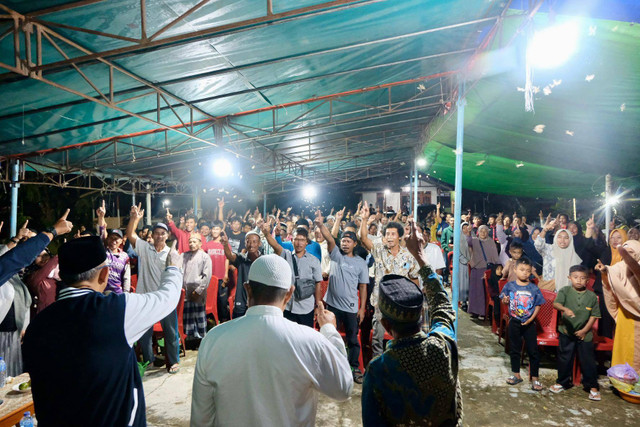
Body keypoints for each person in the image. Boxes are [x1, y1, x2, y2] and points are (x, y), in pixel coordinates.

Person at [23, 235, 182, 426]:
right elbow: (167, 298)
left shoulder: (37, 325)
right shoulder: (116, 310)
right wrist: (173, 267)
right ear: (104, 274)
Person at [190, 255, 353, 426]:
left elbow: (201, 418)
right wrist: (329, 330)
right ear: (289, 293)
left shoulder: (214, 339)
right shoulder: (309, 340)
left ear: (247, 289)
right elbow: (343, 388)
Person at [362, 220, 462, 426]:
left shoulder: (380, 369)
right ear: (419, 315)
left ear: (386, 324)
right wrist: (422, 257)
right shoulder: (442, 348)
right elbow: (443, 307)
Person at [125, 203, 181, 374]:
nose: (159, 236)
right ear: (152, 235)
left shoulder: (172, 254)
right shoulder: (145, 248)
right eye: (156, 233)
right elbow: (130, 234)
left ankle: (173, 361)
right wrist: (134, 219)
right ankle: (149, 360)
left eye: (162, 233)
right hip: (145, 297)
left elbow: (177, 278)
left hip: (165, 298)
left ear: (167, 235)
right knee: (145, 333)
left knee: (170, 332)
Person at [360, 204, 419, 360]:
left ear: (399, 236)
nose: (390, 237)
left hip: (402, 305)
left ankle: (401, 365)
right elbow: (363, 238)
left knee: (402, 339)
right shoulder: (379, 249)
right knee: (377, 339)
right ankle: (378, 365)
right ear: (383, 236)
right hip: (381, 303)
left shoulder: (408, 256)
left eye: (393, 234)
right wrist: (365, 219)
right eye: (387, 234)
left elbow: (414, 279)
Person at [318, 215, 369, 384]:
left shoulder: (361, 263)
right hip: (332, 305)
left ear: (355, 244)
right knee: (330, 336)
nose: (345, 243)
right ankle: (329, 368)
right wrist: (320, 224)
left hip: (351, 307)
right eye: (344, 240)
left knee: (353, 340)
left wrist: (361, 309)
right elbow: (330, 239)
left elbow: (363, 287)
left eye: (349, 241)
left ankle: (354, 367)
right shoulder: (336, 256)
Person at [550, 265, 601, 401]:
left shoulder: (591, 296)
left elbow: (594, 315)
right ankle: (562, 382)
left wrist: (584, 331)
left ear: (588, 281)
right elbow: (556, 304)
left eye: (583, 278)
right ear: (569, 278)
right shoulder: (565, 291)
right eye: (575, 277)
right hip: (566, 331)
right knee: (564, 358)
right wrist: (565, 309)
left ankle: (592, 386)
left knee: (588, 360)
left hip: (585, 334)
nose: (579, 280)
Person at [262, 222, 323, 328]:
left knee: (304, 338)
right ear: (291, 240)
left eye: (302, 240)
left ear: (307, 242)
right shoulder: (286, 255)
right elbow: (276, 246)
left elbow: (318, 283)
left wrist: (318, 305)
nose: (299, 243)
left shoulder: (314, 261)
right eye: (296, 239)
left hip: (306, 307)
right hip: (288, 306)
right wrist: (267, 234)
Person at [500, 257, 545, 391]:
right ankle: (516, 375)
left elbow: (538, 305)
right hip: (514, 321)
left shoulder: (534, 288)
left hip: (529, 324)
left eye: (528, 271)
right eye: (522, 270)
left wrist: (531, 319)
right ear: (515, 270)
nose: (525, 273)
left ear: (531, 272)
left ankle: (535, 378)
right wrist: (505, 300)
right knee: (515, 349)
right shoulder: (510, 286)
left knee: (533, 351)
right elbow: (503, 299)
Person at [597, 240, 640, 372]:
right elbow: (610, 272)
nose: (629, 256)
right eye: (626, 253)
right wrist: (605, 271)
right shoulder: (620, 267)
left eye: (632, 252)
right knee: (624, 346)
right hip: (626, 316)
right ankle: (622, 381)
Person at [535, 216, 582, 292]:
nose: (562, 240)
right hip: (548, 289)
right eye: (559, 237)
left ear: (570, 240)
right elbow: (538, 244)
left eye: (566, 238)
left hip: (566, 291)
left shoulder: (573, 256)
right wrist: (545, 230)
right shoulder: (549, 249)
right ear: (555, 238)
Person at [222, 230, 261, 318]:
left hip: (257, 301)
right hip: (241, 298)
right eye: (248, 241)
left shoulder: (263, 260)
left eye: (254, 242)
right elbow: (230, 256)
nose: (251, 244)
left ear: (259, 243)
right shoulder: (241, 258)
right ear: (245, 243)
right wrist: (225, 245)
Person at [182, 235, 212, 340]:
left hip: (198, 290)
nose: (192, 244)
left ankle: (202, 339)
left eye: (194, 242)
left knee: (199, 315)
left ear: (200, 243)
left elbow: (207, 276)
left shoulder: (205, 257)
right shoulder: (184, 256)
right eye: (190, 242)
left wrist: (198, 290)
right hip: (186, 291)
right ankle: (190, 338)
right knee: (188, 315)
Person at [467, 225, 501, 319]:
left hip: (486, 269)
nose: (483, 233)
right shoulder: (474, 240)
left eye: (485, 231)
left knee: (483, 291)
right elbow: (468, 241)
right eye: (481, 231)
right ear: (478, 232)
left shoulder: (491, 242)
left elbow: (495, 256)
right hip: (476, 268)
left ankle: (482, 312)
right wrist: (469, 232)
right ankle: (474, 311)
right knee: (474, 291)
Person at [202, 220, 230, 322]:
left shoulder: (225, 244)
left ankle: (223, 321)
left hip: (221, 277)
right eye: (213, 229)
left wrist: (226, 274)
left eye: (217, 229)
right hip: (210, 278)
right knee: (210, 300)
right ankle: (212, 321)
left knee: (222, 301)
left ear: (221, 230)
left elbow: (227, 258)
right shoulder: (207, 245)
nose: (214, 231)